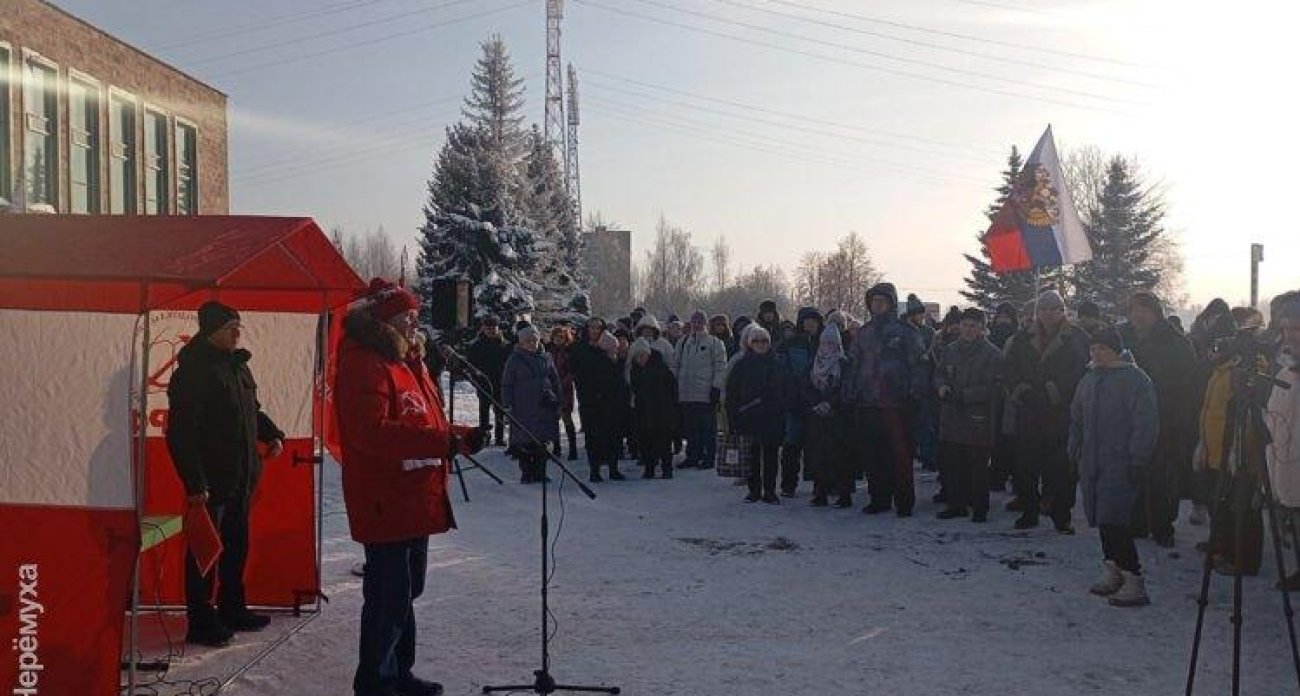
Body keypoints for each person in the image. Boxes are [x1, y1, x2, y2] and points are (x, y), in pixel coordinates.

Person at [333, 279, 484, 696]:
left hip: (413, 496)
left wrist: (460, 435)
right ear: (385, 321)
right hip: (384, 497)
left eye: (416, 316)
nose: (415, 324)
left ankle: (399, 672)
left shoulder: (406, 362)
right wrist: (441, 443)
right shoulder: (364, 362)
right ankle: (375, 681)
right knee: (388, 595)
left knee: (407, 591)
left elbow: (423, 423)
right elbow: (371, 433)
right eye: (406, 317)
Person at [166, 301, 285, 647]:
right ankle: (201, 621)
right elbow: (181, 432)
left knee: (236, 546)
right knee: (207, 552)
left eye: (238, 327)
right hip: (211, 484)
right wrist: (194, 481)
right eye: (231, 327)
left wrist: (271, 434)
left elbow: (251, 412)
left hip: (242, 479)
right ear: (212, 331)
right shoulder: (193, 371)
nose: (237, 333)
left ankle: (232, 608)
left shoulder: (238, 366)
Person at [1071, 326, 1159, 607]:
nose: (1097, 353)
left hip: (1119, 461)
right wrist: (1074, 446)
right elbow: (1076, 415)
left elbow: (1145, 423)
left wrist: (1138, 458)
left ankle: (1133, 577)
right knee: (1102, 520)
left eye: (1103, 348)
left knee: (1116, 521)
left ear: (1116, 350)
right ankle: (1113, 568)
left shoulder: (1135, 380)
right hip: (1092, 461)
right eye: (1093, 348)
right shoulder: (1090, 377)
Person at [1002, 290, 1090, 533]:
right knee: (1025, 465)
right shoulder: (1023, 337)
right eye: (1043, 309)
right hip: (1028, 409)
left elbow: (1081, 369)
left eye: (1054, 309)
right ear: (1037, 312)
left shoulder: (1076, 338)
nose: (1048, 314)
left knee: (1060, 468)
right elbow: (1008, 367)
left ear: (1062, 311)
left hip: (1059, 411)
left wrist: (1055, 389)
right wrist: (1019, 388)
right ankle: (1029, 510)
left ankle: (1061, 515)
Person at [1119, 290, 1197, 547]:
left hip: (1166, 415)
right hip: (1129, 416)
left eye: (1145, 310)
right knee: (1135, 469)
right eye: (1134, 310)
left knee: (1164, 474)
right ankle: (1137, 520)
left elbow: (1187, 382)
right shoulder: (1122, 337)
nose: (1139, 316)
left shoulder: (1175, 342)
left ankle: (1163, 525)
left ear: (1156, 313)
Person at [843, 282, 926, 517]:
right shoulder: (864, 333)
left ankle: (904, 501)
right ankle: (879, 498)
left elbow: (918, 365)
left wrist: (914, 394)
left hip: (897, 405)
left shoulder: (905, 332)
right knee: (872, 455)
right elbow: (853, 364)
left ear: (890, 303)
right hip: (868, 403)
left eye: (882, 301)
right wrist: (850, 391)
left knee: (900, 456)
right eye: (874, 301)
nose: (877, 305)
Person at [933, 309, 1003, 523]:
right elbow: (939, 374)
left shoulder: (992, 354)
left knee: (978, 467)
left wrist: (964, 396)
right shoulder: (950, 350)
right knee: (953, 465)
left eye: (974, 326)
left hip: (978, 419)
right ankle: (956, 504)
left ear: (982, 328)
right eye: (965, 325)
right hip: (952, 417)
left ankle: (980, 507)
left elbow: (993, 387)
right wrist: (942, 386)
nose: (968, 330)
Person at [726, 326, 789, 503]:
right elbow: (732, 393)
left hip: (772, 416)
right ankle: (753, 490)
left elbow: (787, 388)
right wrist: (734, 416)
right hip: (749, 416)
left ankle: (769, 491)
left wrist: (781, 406)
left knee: (771, 456)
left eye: (764, 341)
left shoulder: (777, 364)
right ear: (749, 343)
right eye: (756, 341)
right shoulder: (741, 365)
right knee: (751, 456)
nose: (760, 344)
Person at [1267, 297, 1300, 589]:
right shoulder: (1285, 372)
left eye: (1297, 329)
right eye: (1286, 329)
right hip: (1288, 460)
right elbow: (1275, 418)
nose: (1290, 335)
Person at [802, 324, 853, 508]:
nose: (828, 347)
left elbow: (847, 389)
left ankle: (844, 493)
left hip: (837, 416)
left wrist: (831, 404)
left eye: (832, 343)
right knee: (818, 455)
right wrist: (816, 403)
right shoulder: (813, 363)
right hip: (817, 415)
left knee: (840, 456)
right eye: (825, 343)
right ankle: (820, 492)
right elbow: (805, 387)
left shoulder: (844, 364)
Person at [502, 325, 562, 484]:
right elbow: (507, 384)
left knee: (542, 441)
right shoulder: (514, 359)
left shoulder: (546, 357)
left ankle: (540, 472)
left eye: (534, 340)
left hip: (544, 405)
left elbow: (555, 379)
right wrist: (507, 404)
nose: (532, 344)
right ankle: (527, 472)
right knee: (525, 441)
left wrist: (558, 400)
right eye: (528, 341)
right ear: (521, 343)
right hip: (523, 407)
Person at [776, 307, 825, 496]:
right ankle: (789, 485)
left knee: (817, 447)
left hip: (816, 403)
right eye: (807, 320)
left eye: (814, 320)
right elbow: (781, 373)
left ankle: (818, 485)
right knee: (791, 446)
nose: (811, 324)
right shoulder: (790, 344)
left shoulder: (825, 343)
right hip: (794, 403)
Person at [674, 310, 728, 470]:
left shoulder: (714, 343)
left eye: (699, 321)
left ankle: (709, 457)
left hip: (706, 393)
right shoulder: (683, 342)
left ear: (705, 323)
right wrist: (675, 386)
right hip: (687, 393)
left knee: (708, 428)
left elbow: (720, 367)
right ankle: (692, 455)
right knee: (691, 428)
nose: (696, 325)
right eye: (694, 321)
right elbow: (676, 365)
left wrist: (716, 387)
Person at [629, 338, 678, 479]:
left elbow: (672, 389)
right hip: (643, 411)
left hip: (662, 411)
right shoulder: (635, 371)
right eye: (637, 356)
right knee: (646, 442)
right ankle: (649, 468)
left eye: (643, 355)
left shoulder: (661, 368)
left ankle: (667, 469)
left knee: (664, 442)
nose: (640, 359)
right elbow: (635, 389)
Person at [582, 332, 628, 481]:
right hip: (598, 409)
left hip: (614, 408)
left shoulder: (616, 362)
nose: (616, 349)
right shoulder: (596, 363)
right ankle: (595, 471)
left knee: (613, 439)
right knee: (596, 441)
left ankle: (613, 469)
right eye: (614, 347)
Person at [467, 316, 512, 447]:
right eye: (488, 328)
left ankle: (499, 437)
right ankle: (484, 436)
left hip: (500, 382)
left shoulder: (505, 345)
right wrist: (476, 380)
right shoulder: (477, 345)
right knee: (484, 410)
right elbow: (471, 365)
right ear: (483, 328)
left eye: (494, 328)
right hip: (483, 382)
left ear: (498, 328)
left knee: (500, 411)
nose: (491, 330)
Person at [547, 325, 580, 460]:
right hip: (551, 388)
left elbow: (573, 370)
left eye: (561, 337)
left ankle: (573, 449)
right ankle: (556, 447)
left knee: (566, 417)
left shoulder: (569, 351)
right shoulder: (548, 350)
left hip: (565, 388)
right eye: (556, 337)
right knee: (553, 418)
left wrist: (564, 381)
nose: (558, 339)